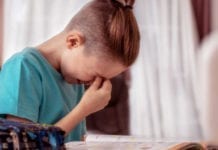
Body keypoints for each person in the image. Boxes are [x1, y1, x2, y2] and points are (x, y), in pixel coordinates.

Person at [0, 0, 140, 142]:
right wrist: (82, 110)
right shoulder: (24, 68)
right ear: (73, 42)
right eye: (95, 75)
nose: (94, 83)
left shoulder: (74, 79)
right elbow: (21, 144)